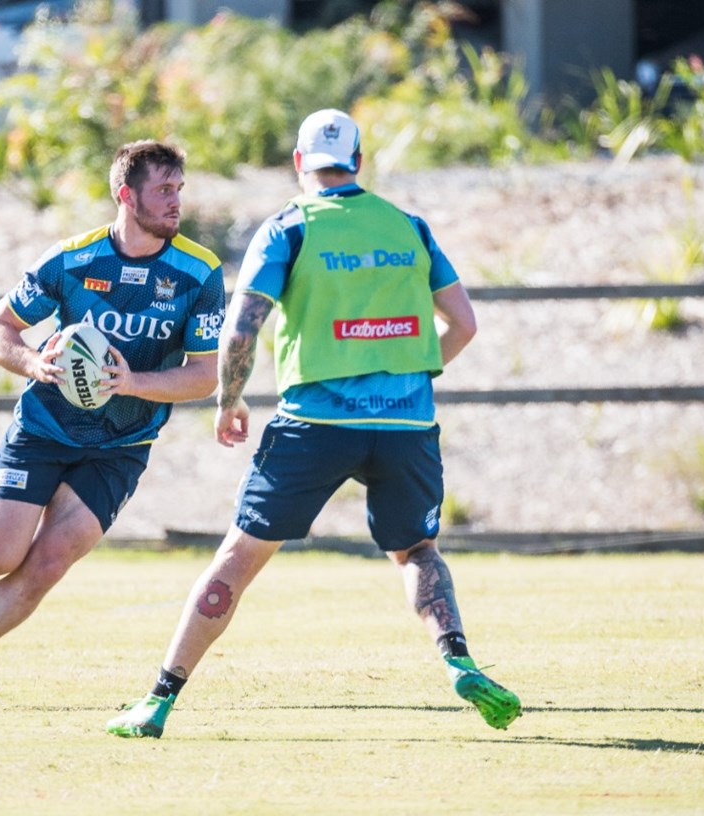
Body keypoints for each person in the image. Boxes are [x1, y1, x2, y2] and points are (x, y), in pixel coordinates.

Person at [106, 110, 520, 738]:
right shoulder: (408, 227)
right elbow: (463, 324)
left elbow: (243, 325)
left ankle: (159, 699)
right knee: (417, 551)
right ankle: (458, 660)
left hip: (314, 423)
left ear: (300, 163)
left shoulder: (289, 227)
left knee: (237, 560)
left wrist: (229, 399)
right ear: (358, 162)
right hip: (407, 423)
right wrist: (409, 374)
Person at [0, 140, 226, 711]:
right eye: (163, 190)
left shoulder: (199, 272)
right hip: (44, 430)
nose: (176, 201)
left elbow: (203, 375)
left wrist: (131, 383)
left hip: (121, 446)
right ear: (126, 196)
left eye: (179, 189)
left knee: (46, 564)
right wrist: (32, 363)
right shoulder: (73, 260)